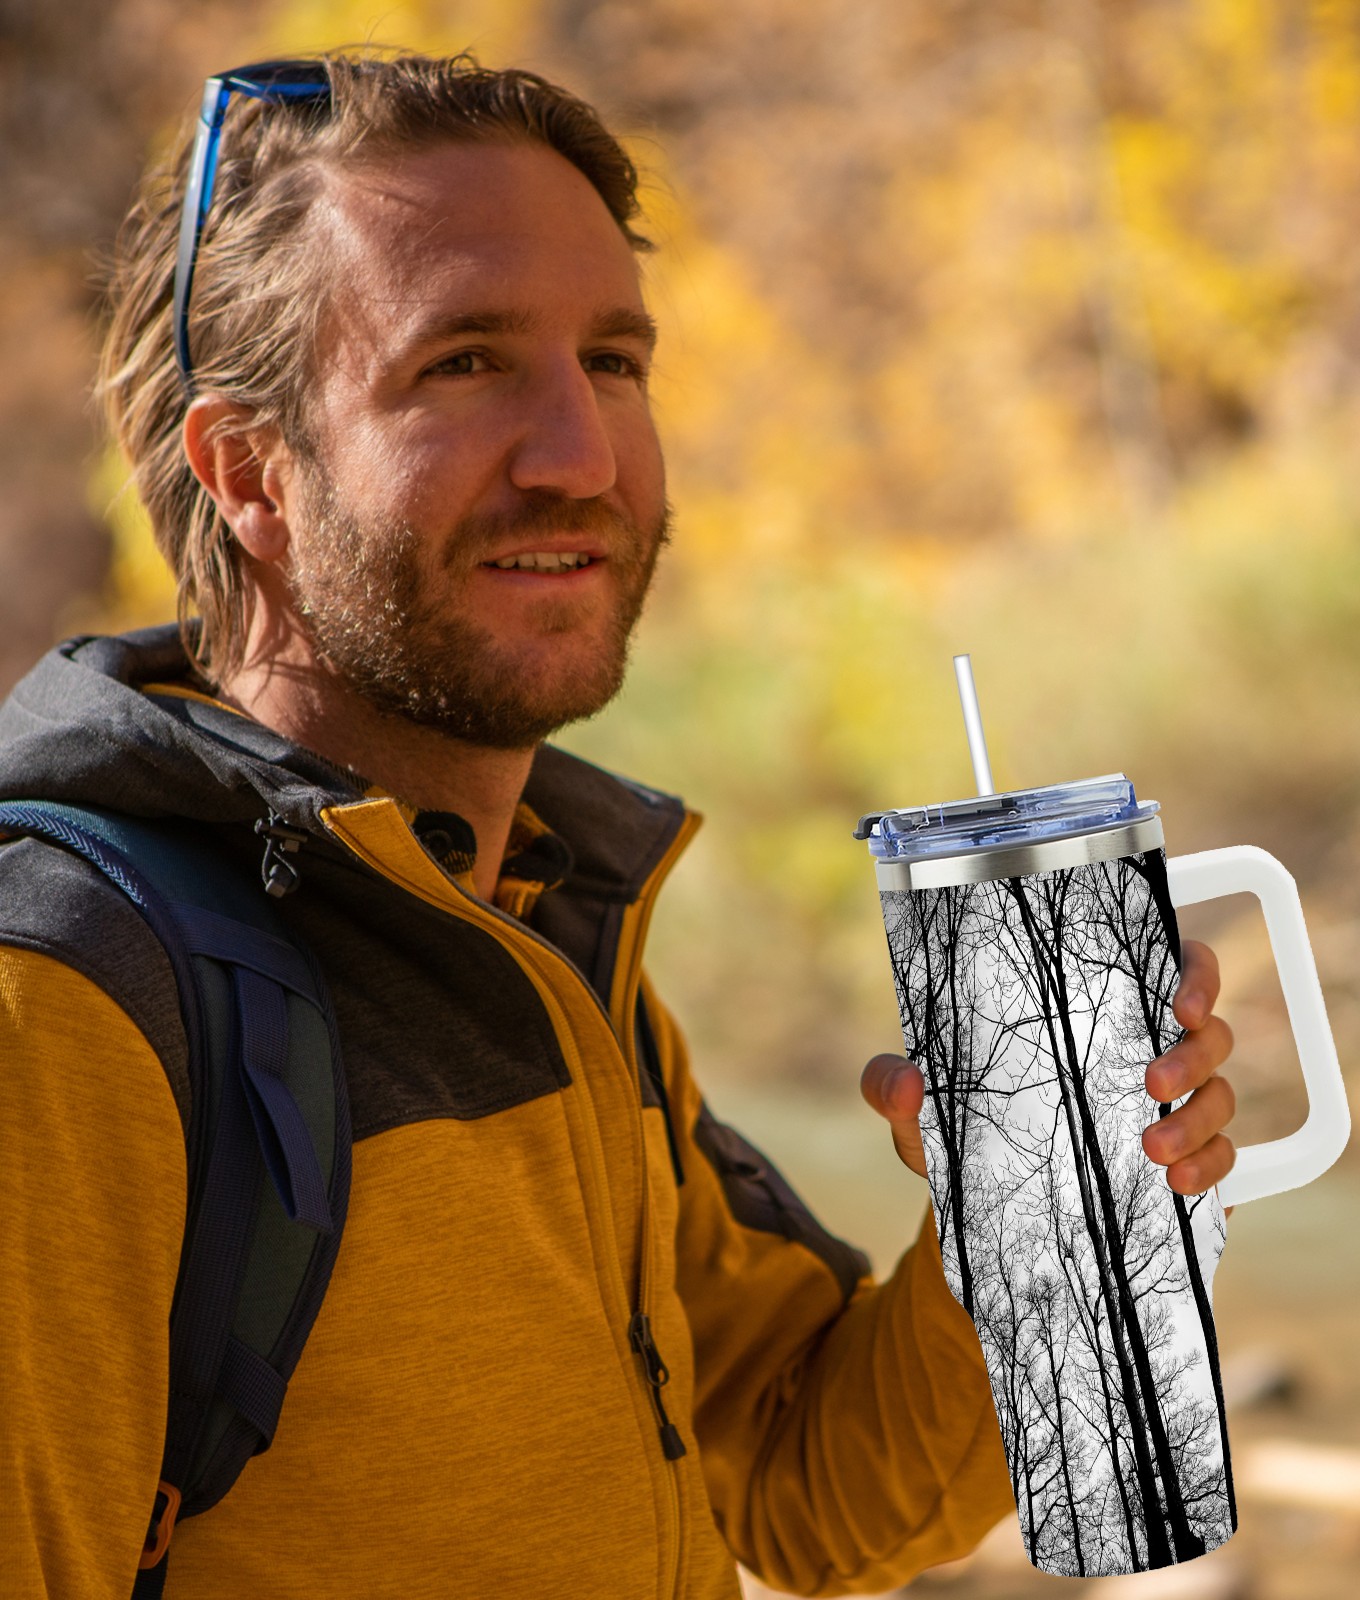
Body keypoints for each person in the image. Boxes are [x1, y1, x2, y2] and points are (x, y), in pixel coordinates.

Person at [0, 51, 1239, 1598]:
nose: (581, 455)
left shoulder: (541, 923)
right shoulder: (70, 998)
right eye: (463, 363)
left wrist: (1041, 1215)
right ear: (251, 473)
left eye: (614, 360)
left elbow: (805, 1487)